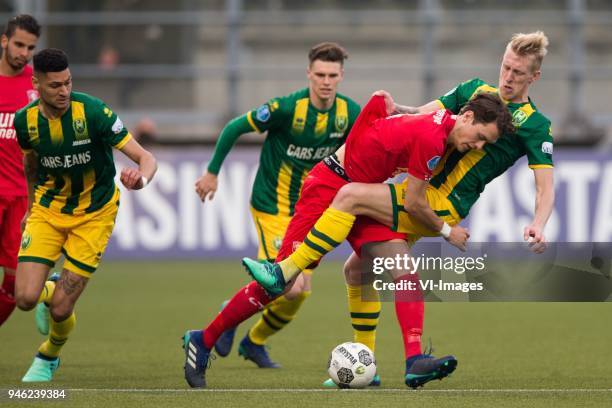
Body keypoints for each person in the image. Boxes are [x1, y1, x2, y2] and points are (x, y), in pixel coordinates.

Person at [263, 31, 554, 387]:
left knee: (351, 196)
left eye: (518, 73)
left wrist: (539, 222)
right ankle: (393, 362)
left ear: (534, 77)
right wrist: (391, 109)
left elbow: (545, 187)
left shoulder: (536, 126)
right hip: (413, 190)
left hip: (439, 204)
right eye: (506, 67)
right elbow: (422, 114)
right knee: (359, 270)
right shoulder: (475, 92)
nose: (508, 77)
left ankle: (286, 270)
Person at [183, 89, 513, 388]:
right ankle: (205, 337)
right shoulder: (433, 138)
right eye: (481, 137)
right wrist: (447, 231)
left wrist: (380, 110)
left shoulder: (439, 124)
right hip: (328, 185)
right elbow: (414, 203)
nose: (479, 146)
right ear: (467, 117)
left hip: (360, 196)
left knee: (398, 268)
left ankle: (413, 361)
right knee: (283, 287)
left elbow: (381, 105)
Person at [194, 42, 360, 368]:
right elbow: (233, 128)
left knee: (301, 291)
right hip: (273, 205)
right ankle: (229, 317)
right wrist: (212, 173)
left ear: (341, 76)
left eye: (333, 75)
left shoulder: (349, 114)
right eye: (320, 74)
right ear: (309, 74)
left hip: (311, 210)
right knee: (290, 286)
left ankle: (253, 341)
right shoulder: (286, 108)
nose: (326, 81)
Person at [13, 48, 157, 382]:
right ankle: (49, 287)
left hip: (94, 214)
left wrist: (142, 179)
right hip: (49, 211)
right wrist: (32, 207)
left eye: (68, 83)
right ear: (36, 84)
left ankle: (49, 355)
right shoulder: (26, 122)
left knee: (62, 308)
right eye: (54, 86)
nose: (63, 91)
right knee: (24, 298)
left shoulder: (94, 112)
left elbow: (145, 157)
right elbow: (31, 165)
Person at [0, 14, 41, 327]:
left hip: (21, 200)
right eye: (18, 44)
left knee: (15, 287)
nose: (23, 53)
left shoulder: (36, 85)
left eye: (30, 47)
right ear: (4, 40)